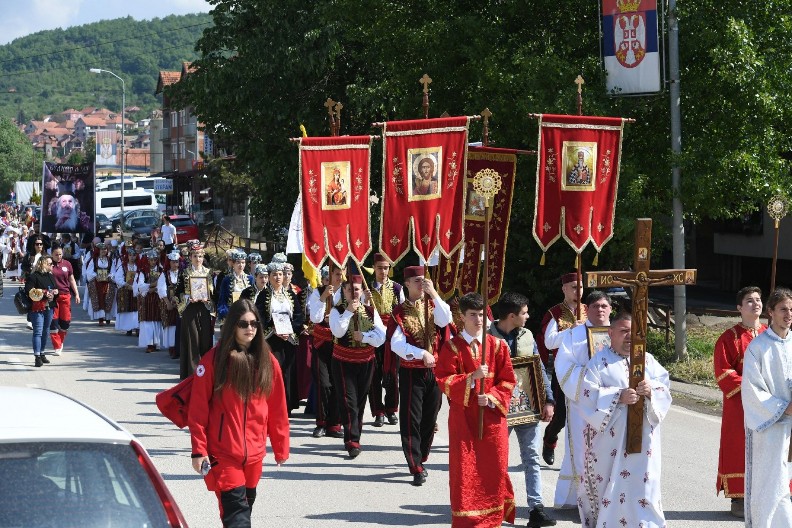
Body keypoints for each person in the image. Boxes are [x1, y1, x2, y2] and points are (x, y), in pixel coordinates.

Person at [188, 299, 290, 528]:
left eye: (254, 323)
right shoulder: (213, 360)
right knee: (237, 516)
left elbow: (277, 408)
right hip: (223, 455)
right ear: (233, 325)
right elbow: (198, 410)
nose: (249, 328)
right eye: (243, 323)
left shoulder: (268, 361)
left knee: (243, 512)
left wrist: (281, 446)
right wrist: (198, 450)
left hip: (255, 455)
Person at [577, 311, 671, 527]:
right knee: (610, 484)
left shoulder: (647, 360)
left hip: (643, 440)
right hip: (611, 442)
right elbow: (587, 396)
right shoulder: (598, 362)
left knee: (645, 485)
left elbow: (664, 386)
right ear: (611, 333)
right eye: (623, 331)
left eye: (634, 332)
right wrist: (618, 396)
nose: (630, 336)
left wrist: (652, 389)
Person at [435, 292, 516, 526]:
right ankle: (467, 519)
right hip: (464, 420)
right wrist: (472, 378)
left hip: (492, 420)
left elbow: (508, 381)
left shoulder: (498, 346)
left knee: (494, 468)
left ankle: (492, 519)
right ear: (462, 317)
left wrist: (491, 396)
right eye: (473, 315)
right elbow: (443, 379)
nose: (478, 320)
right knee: (466, 470)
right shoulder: (451, 347)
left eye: (482, 315)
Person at [489, 292, 557, 527]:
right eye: (525, 313)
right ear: (511, 316)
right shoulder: (487, 337)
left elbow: (538, 369)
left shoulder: (528, 336)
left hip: (527, 408)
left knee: (531, 457)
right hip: (497, 410)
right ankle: (494, 506)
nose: (528, 316)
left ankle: (536, 508)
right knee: (497, 460)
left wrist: (549, 400)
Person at [387, 265, 452, 485]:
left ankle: (422, 456)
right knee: (410, 420)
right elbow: (396, 344)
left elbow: (445, 320)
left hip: (434, 371)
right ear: (406, 283)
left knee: (430, 418)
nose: (421, 284)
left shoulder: (434, 304)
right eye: (416, 281)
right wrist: (420, 353)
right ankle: (415, 464)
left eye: (423, 279)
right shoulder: (399, 311)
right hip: (411, 372)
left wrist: (434, 293)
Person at [553, 290, 612, 509]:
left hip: (614, 404)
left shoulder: (620, 333)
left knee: (609, 451)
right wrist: (592, 382)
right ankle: (584, 503)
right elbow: (564, 368)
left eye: (604, 306)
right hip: (582, 404)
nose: (600, 310)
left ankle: (609, 501)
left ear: (611, 309)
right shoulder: (573, 335)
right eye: (595, 306)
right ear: (587, 309)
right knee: (582, 450)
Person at [713, 286, 766, 518]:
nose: (755, 304)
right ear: (739, 308)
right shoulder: (729, 338)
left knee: (768, 447)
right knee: (739, 446)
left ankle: (767, 496)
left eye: (758, 300)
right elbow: (723, 372)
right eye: (749, 301)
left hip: (769, 404)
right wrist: (752, 387)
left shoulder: (771, 335)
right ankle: (739, 498)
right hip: (740, 404)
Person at [742, 287, 792, 527]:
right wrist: (784, 408)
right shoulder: (758, 347)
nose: (789, 314)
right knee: (768, 482)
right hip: (769, 426)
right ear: (771, 312)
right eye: (783, 309)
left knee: (785, 483)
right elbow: (752, 390)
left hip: (790, 428)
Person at [329, 274, 386, 458]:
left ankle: (355, 436)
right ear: (344, 292)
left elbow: (380, 338)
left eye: (356, 289)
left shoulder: (370, 311)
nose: (353, 293)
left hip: (366, 362)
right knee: (349, 401)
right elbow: (338, 331)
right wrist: (348, 312)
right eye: (349, 289)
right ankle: (351, 440)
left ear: (362, 291)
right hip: (343, 362)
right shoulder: (337, 311)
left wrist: (365, 337)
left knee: (360, 403)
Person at [538, 272, 586, 466]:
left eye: (581, 287)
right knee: (561, 417)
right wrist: (571, 329)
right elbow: (549, 342)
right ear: (564, 289)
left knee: (585, 416)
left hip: (587, 370)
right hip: (564, 371)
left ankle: (578, 460)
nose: (578, 291)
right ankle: (550, 438)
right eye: (574, 287)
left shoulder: (590, 310)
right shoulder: (555, 313)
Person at [255, 257, 304, 415]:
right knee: (272, 373)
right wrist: (273, 329)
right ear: (269, 276)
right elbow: (259, 316)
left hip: (288, 339)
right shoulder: (263, 296)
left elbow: (298, 315)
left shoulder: (290, 295)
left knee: (287, 372)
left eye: (280, 274)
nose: (278, 277)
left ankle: (286, 406)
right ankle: (271, 406)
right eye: (274, 274)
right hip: (271, 340)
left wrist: (290, 330)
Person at [307, 263, 344, 439]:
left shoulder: (347, 291)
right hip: (322, 343)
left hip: (340, 343)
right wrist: (323, 297)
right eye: (335, 274)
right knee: (323, 383)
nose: (338, 278)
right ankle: (321, 422)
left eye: (340, 274)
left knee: (338, 384)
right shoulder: (318, 291)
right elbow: (315, 317)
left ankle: (334, 424)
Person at [368, 253, 404, 427]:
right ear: (374, 268)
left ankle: (391, 410)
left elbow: (403, 311)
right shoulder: (367, 288)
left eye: (386, 268)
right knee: (373, 375)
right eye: (380, 268)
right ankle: (378, 412)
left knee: (392, 374)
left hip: (391, 336)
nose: (383, 271)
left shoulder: (397, 288)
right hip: (373, 336)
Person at [177, 241, 215, 379]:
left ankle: (206, 374)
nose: (198, 259)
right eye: (195, 256)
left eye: (200, 256)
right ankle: (191, 375)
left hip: (204, 309)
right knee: (192, 340)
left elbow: (213, 292)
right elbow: (177, 292)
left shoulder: (209, 272)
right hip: (190, 309)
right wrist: (188, 298)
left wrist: (208, 298)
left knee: (205, 340)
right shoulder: (184, 272)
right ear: (190, 257)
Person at [25, 255, 57, 367]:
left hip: (49, 307)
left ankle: (42, 353)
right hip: (37, 308)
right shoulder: (33, 277)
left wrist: (54, 293)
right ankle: (37, 356)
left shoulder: (50, 276)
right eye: (50, 264)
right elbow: (29, 291)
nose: (52, 265)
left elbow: (55, 288)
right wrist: (44, 293)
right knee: (38, 331)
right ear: (42, 264)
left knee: (46, 331)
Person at [48, 244, 80, 356]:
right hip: (53, 297)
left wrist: (76, 294)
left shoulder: (67, 264)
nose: (59, 256)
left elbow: (71, 279)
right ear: (51, 254)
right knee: (53, 322)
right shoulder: (48, 264)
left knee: (65, 322)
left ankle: (60, 341)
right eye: (56, 255)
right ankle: (57, 345)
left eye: (60, 254)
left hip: (65, 296)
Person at [134, 249, 164, 353]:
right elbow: (140, 286)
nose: (153, 262)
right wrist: (151, 286)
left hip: (158, 298)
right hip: (146, 298)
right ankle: (149, 343)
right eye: (151, 260)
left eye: (155, 259)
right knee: (147, 321)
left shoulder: (161, 270)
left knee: (157, 321)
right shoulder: (143, 271)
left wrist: (156, 289)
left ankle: (157, 343)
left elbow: (164, 283)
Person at [217, 249, 253, 326]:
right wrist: (226, 314)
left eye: (243, 262)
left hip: (247, 315)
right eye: (238, 262)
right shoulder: (227, 279)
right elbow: (223, 300)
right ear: (233, 263)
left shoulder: (250, 279)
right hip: (232, 315)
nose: (241, 265)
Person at [157, 250, 182, 358]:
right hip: (169, 303)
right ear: (169, 263)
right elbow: (161, 289)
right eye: (173, 262)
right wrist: (168, 303)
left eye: (177, 262)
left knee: (179, 325)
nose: (175, 264)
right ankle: (172, 347)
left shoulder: (182, 273)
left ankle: (180, 347)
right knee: (171, 325)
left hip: (181, 303)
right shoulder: (164, 274)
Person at [85, 242, 117, 325]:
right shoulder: (94, 259)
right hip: (97, 283)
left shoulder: (110, 260)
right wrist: (96, 276)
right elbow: (89, 271)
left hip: (107, 282)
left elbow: (113, 271)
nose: (104, 251)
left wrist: (110, 276)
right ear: (98, 250)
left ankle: (108, 317)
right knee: (99, 298)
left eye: (105, 249)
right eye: (102, 249)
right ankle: (100, 318)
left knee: (108, 298)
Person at [113, 245, 140, 336]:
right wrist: (125, 284)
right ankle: (128, 328)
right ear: (127, 256)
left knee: (136, 309)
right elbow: (118, 278)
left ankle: (137, 328)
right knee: (127, 309)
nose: (132, 257)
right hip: (125, 290)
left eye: (134, 255)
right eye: (130, 255)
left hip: (136, 290)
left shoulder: (139, 266)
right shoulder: (123, 266)